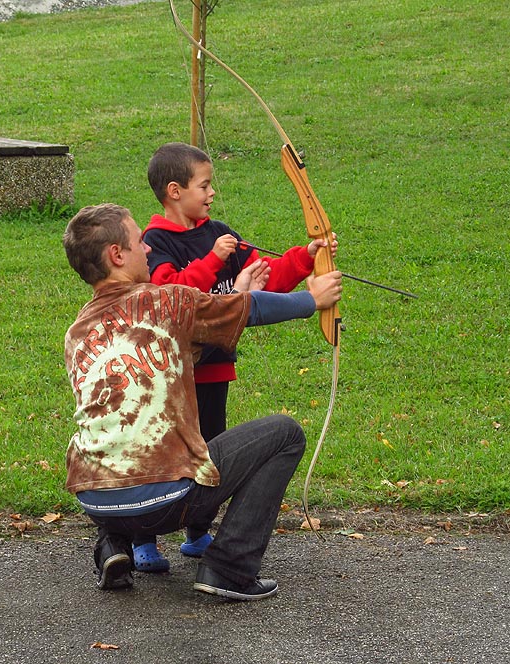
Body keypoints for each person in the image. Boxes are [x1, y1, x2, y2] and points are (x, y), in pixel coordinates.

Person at [61, 203, 341, 600]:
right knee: (284, 434)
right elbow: (254, 309)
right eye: (140, 242)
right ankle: (229, 568)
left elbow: (186, 356)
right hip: (162, 502)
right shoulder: (167, 302)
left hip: (95, 502)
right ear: (117, 255)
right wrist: (311, 299)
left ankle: (112, 545)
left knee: (124, 438)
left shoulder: (77, 332)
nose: (149, 250)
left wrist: (237, 297)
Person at [133, 141, 338, 572]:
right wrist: (213, 259)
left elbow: (265, 279)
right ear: (174, 191)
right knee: (165, 450)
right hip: (174, 375)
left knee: (210, 450)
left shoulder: (218, 231)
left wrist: (307, 256)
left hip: (214, 370)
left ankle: (196, 532)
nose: (211, 194)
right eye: (203, 185)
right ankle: (142, 539)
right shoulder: (154, 243)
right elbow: (175, 296)